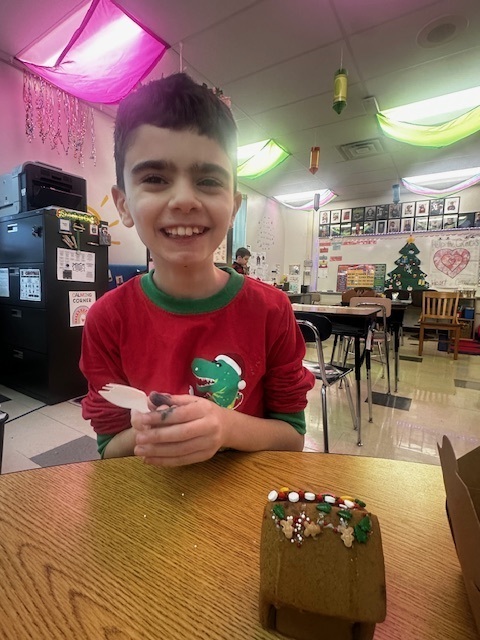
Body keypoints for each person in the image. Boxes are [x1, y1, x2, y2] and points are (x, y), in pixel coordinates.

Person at [80, 73, 315, 467]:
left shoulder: (271, 311)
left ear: (234, 206)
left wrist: (225, 426)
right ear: (122, 205)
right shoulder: (106, 319)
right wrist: (142, 430)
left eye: (208, 180)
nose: (185, 200)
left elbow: (292, 436)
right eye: (155, 178)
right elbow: (108, 449)